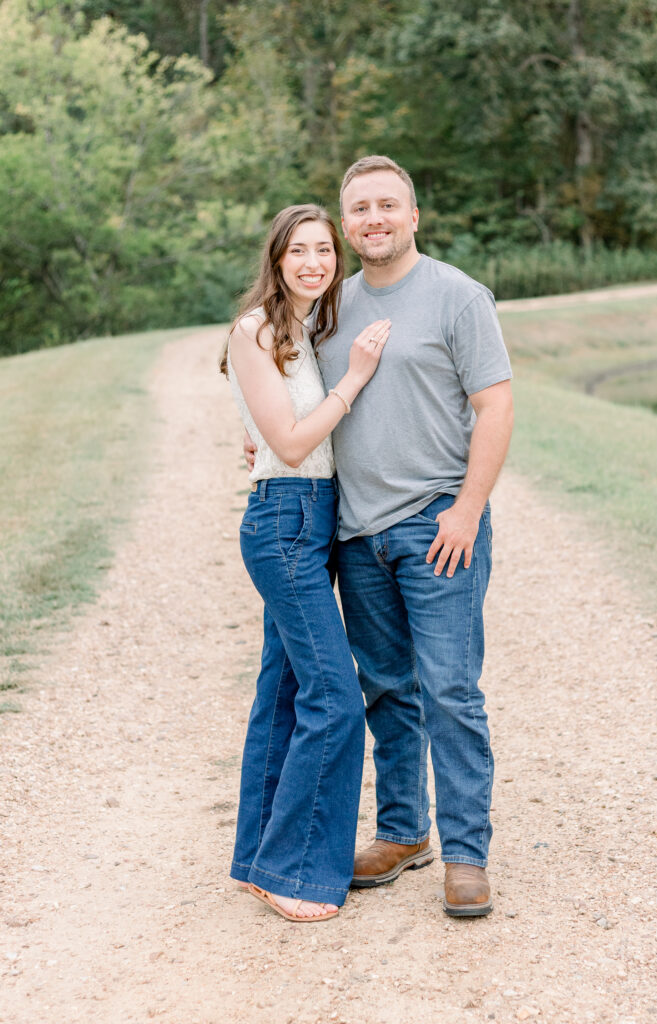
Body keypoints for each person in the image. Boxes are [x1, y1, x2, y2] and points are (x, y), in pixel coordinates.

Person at [246, 156, 513, 917]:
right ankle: (403, 833)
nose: (373, 219)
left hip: (437, 524)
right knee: (387, 691)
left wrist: (466, 510)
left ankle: (465, 854)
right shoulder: (331, 303)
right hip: (355, 534)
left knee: (450, 689)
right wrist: (262, 441)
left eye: (387, 205)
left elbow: (494, 407)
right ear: (344, 222)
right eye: (358, 208)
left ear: (414, 215)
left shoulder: (457, 297)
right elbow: (294, 392)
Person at [221, 203, 391, 922]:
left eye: (325, 250)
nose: (314, 262)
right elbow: (290, 445)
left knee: (285, 691)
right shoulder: (254, 328)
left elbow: (285, 437)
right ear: (277, 258)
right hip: (284, 521)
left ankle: (261, 859)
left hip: (314, 515)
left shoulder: (306, 330)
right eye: (300, 251)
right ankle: (292, 869)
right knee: (333, 698)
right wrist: (354, 380)